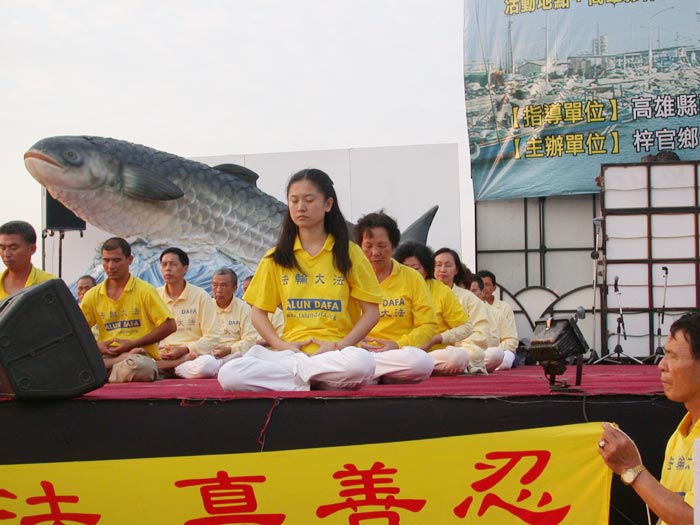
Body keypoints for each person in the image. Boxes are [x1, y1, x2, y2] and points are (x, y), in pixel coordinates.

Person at [218, 168, 382, 392]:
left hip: (335, 353)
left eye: (309, 200)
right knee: (229, 375)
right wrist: (281, 345)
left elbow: (371, 312)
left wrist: (339, 345)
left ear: (328, 204)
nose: (300, 207)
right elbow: (258, 313)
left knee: (362, 364)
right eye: (294, 201)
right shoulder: (276, 257)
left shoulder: (350, 253)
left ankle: (299, 380)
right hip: (291, 354)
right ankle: (317, 379)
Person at [598, 312, 700, 525]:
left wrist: (631, 469)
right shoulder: (683, 431)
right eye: (665, 354)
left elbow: (693, 519)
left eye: (673, 356)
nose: (662, 365)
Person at [354, 212, 437, 383]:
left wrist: (398, 344)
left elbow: (428, 325)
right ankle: (379, 372)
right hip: (359, 352)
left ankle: (370, 372)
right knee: (353, 361)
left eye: (382, 245)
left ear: (393, 246)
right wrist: (355, 343)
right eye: (368, 246)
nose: (375, 252)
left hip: (399, 353)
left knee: (422, 363)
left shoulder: (412, 277)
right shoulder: (350, 276)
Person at [80, 237, 176, 382]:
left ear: (130, 260)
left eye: (116, 260)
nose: (110, 266)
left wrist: (133, 343)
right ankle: (112, 367)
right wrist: (97, 346)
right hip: (105, 356)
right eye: (106, 260)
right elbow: (77, 330)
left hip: (138, 355)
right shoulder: (92, 295)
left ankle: (103, 374)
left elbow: (170, 325)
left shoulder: (145, 290)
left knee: (141, 367)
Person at [393, 241, 472, 375]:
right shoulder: (390, 287)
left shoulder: (441, 291)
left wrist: (437, 339)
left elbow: (466, 327)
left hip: (432, 353)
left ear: (426, 269)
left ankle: (412, 368)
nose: (410, 273)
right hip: (398, 350)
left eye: (415, 269)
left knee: (459, 357)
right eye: (405, 268)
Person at [157, 247, 222, 378]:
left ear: (185, 268)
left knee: (207, 364)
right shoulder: (154, 296)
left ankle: (168, 369)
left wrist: (185, 349)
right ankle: (173, 366)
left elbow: (213, 336)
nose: (168, 269)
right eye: (164, 264)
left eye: (173, 264)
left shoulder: (200, 296)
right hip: (163, 355)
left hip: (192, 356)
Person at [433, 247, 490, 374]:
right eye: (438, 265)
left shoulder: (469, 298)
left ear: (456, 269)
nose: (442, 270)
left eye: (448, 265)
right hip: (432, 349)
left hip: (464, 349)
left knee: (486, 354)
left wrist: (459, 346)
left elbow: (481, 332)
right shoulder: (423, 294)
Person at [0, 220, 55, 300]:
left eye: (13, 248)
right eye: (2, 248)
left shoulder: (49, 284)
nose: (6, 254)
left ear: (32, 249)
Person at [211, 268, 258, 359]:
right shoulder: (206, 307)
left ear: (234, 288)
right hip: (208, 354)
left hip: (234, 355)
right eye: (215, 285)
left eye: (224, 285)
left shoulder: (244, 309)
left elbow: (251, 340)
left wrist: (230, 349)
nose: (219, 290)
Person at [476, 270, 519, 370]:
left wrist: (495, 350)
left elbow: (512, 340)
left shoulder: (503, 309)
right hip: (477, 352)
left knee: (506, 358)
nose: (484, 288)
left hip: (503, 351)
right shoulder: (465, 309)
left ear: (494, 287)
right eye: (481, 285)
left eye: (487, 285)